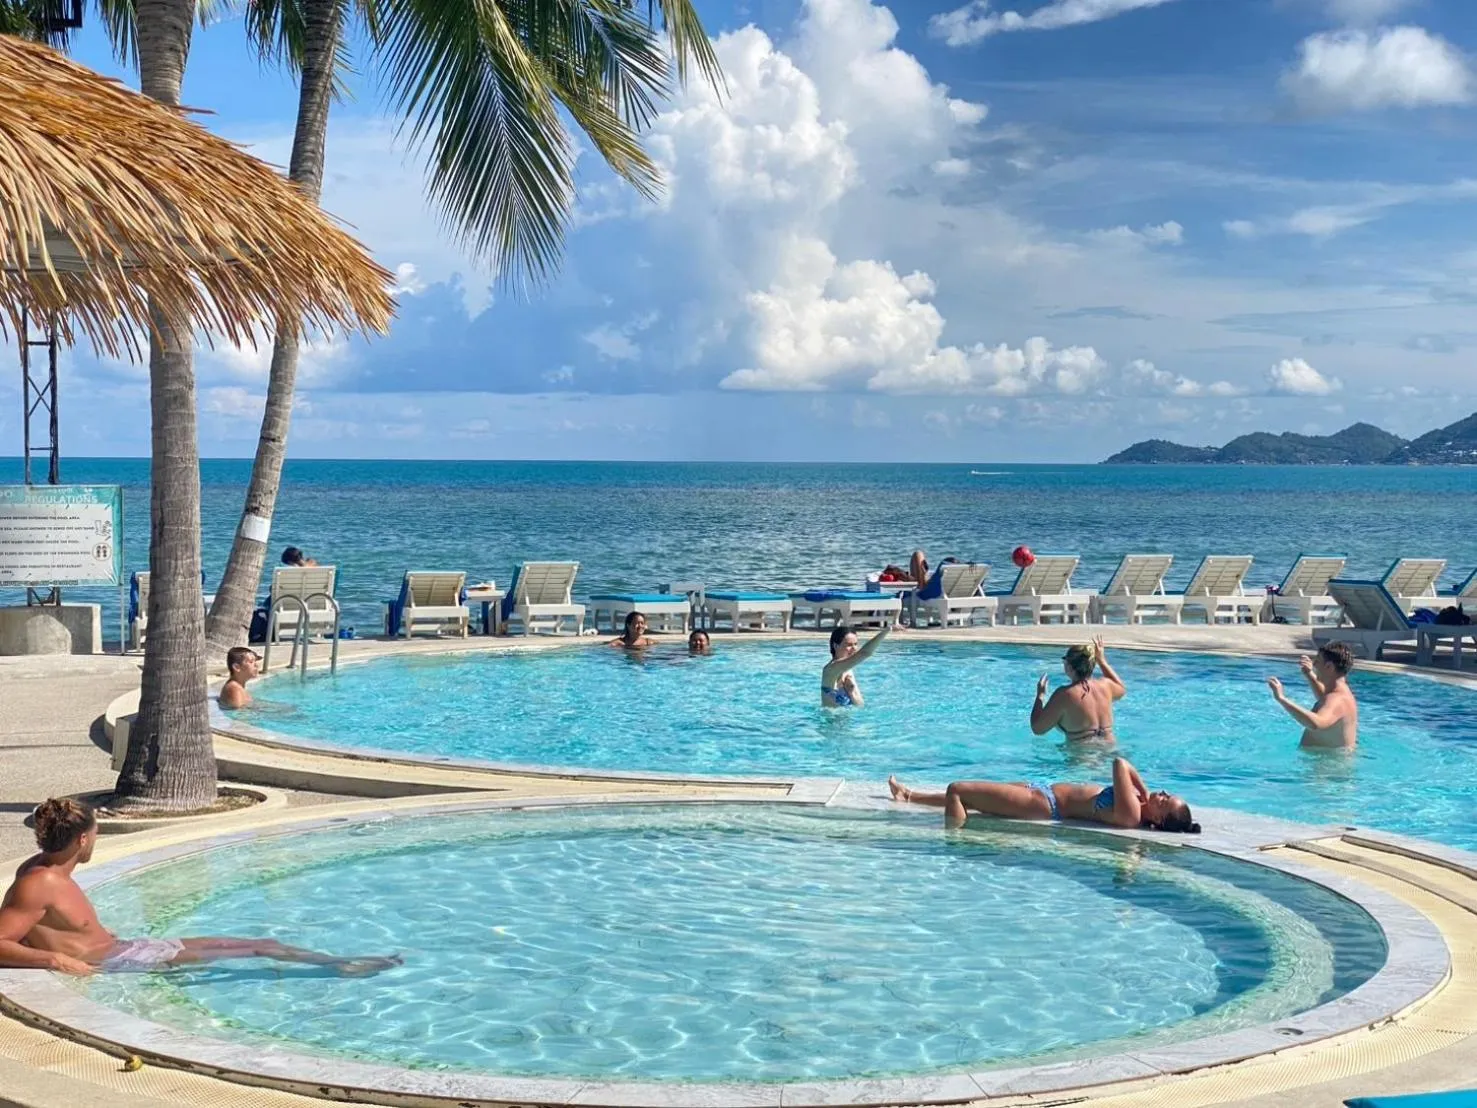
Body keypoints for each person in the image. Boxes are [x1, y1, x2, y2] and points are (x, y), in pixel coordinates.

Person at [0, 800, 401, 976]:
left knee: (262, 943)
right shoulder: (40, 882)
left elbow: (48, 928)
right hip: (120, 963)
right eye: (97, 833)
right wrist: (55, 961)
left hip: (127, 949)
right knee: (259, 950)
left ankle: (335, 964)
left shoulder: (43, 871)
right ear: (82, 840)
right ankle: (340, 966)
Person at [888, 756, 1200, 833]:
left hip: (1044, 804)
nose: (1160, 793)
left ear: (1158, 819)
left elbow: (1119, 763)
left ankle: (953, 843)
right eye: (1165, 793)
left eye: (1163, 801)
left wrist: (1142, 792)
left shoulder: (1131, 813)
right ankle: (910, 796)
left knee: (958, 789)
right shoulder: (1135, 804)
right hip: (1042, 789)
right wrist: (1146, 794)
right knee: (969, 796)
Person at [1031, 636, 1124, 741]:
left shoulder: (1065, 694)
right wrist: (1102, 661)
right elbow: (1121, 688)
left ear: (1069, 667)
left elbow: (1037, 729)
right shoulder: (1106, 686)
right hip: (1110, 747)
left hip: (1083, 754)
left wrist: (1040, 695)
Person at [1268, 643, 1359, 749]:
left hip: (1327, 763)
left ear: (1329, 666)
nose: (1314, 664)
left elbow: (1316, 724)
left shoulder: (1337, 699)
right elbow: (1324, 701)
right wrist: (1309, 674)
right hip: (1329, 759)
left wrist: (1281, 698)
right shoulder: (1340, 692)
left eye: (1317, 661)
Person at [821, 624, 890, 708]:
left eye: (855, 644)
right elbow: (864, 653)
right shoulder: (831, 669)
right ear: (835, 646)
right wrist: (886, 631)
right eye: (849, 645)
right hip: (833, 720)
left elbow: (859, 703)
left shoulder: (848, 669)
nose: (854, 648)